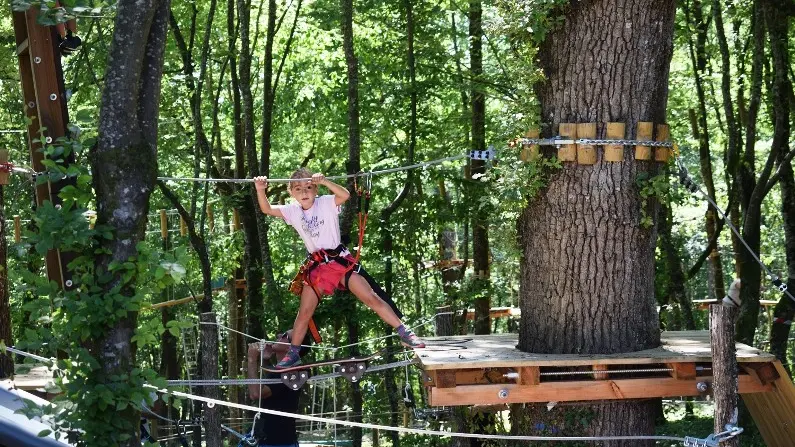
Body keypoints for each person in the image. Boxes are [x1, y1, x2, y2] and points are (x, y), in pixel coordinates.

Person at [254, 168, 425, 368]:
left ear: (316, 189)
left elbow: (345, 195)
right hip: (317, 267)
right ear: (291, 192)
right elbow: (266, 209)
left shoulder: (326, 202)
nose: (304, 192)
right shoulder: (292, 211)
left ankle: (405, 333)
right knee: (304, 312)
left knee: (370, 297)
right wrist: (260, 189)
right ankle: (293, 353)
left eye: (309, 187)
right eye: (298, 189)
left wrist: (325, 181)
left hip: (339, 261)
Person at [242, 331, 306, 447]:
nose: (278, 336)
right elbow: (273, 383)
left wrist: (252, 359)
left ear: (292, 348)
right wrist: (265, 360)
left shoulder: (289, 372)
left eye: (284, 336)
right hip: (276, 440)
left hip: (277, 443)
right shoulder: (287, 369)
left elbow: (255, 394)